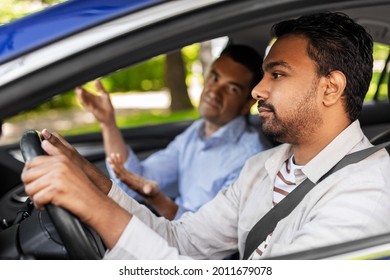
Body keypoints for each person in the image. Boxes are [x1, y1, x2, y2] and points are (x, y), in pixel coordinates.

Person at [22, 12, 390, 260]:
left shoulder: (366, 193)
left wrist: (96, 209)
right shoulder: (262, 167)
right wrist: (99, 187)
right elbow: (183, 241)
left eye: (276, 74)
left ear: (330, 88)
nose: (258, 90)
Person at [75, 44, 271, 220]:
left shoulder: (249, 159)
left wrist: (157, 200)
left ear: (247, 104)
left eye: (231, 89)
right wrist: (108, 123)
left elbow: (209, 237)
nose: (213, 91)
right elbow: (134, 180)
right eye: (214, 78)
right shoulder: (197, 132)